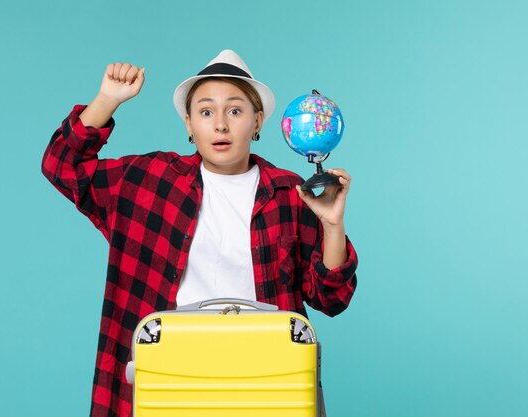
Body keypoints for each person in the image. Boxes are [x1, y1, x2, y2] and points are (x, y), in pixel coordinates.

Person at [42, 49, 358, 417]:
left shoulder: (289, 193)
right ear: (189, 125)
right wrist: (107, 99)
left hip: (265, 378)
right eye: (206, 112)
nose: (220, 125)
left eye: (235, 111)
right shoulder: (151, 181)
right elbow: (61, 164)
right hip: (169, 374)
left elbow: (331, 299)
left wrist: (332, 226)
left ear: (258, 122)